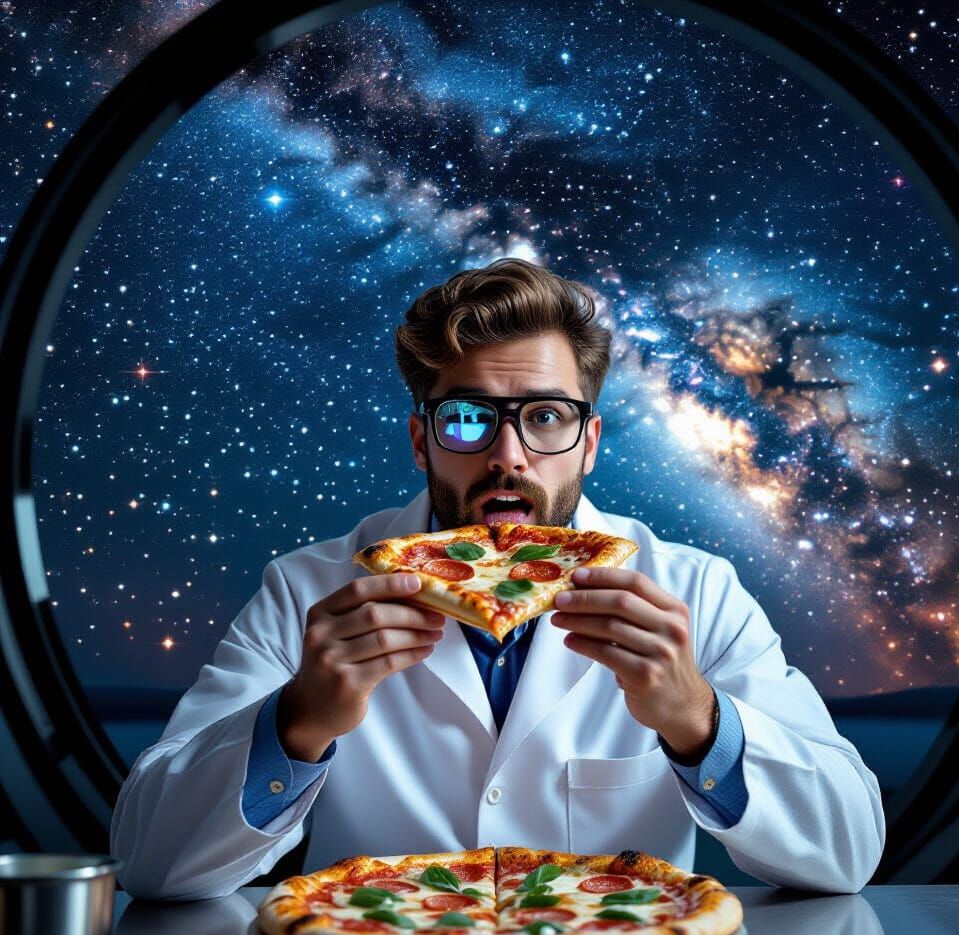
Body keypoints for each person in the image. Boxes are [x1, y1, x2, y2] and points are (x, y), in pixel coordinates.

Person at [110, 258, 885, 901]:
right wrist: (297, 722)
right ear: (422, 441)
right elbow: (148, 861)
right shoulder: (309, 589)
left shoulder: (698, 591)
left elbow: (848, 851)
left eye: (546, 416)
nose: (508, 456)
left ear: (589, 444)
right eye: (468, 418)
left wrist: (698, 720)